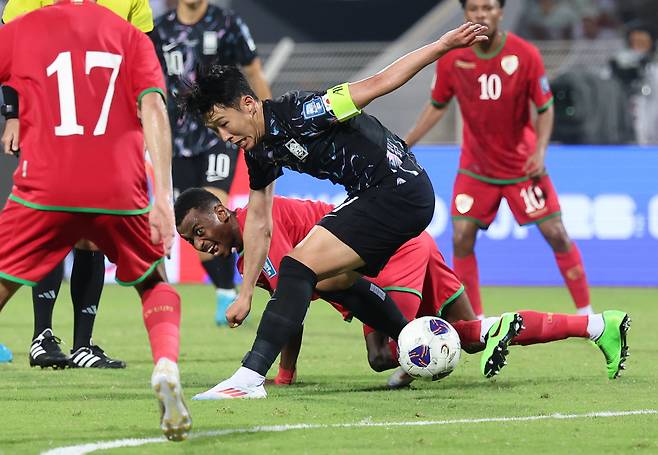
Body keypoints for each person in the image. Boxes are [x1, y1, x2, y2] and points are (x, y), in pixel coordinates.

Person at [178, 22, 489, 398]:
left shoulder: (301, 112)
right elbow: (259, 223)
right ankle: (413, 340)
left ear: (248, 104)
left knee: (296, 267)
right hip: (379, 195)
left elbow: (380, 82)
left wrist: (442, 45)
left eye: (224, 125)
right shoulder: (259, 151)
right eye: (216, 131)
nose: (225, 138)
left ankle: (249, 376)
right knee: (333, 281)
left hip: (397, 189)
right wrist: (244, 294)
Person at [174, 189, 630, 398]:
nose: (199, 244)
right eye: (190, 241)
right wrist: (286, 375)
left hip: (393, 253)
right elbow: (291, 305)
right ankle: (597, 325)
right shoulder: (248, 256)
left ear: (220, 211)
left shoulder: (260, 224)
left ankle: (494, 329)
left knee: (386, 354)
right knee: (468, 337)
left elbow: (287, 305)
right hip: (411, 246)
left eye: (199, 230)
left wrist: (283, 373)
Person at [0, 0, 190, 440]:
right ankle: (165, 363)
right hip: (117, 185)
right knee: (153, 281)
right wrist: (162, 196)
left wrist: (13, 116)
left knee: (6, 280)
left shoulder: (28, 25)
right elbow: (155, 109)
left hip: (46, 183)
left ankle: (45, 338)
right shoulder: (127, 31)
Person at [405, 0, 592, 319]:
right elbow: (438, 104)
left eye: (489, 7)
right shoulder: (452, 57)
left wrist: (539, 152)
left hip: (523, 168)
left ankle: (587, 314)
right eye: (474, 8)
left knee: (556, 234)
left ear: (500, 12)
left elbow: (545, 108)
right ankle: (474, 321)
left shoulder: (525, 54)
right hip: (475, 170)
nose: (481, 14)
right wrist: (406, 143)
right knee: (462, 236)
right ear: (465, 13)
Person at [1, 0, 154, 369]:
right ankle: (42, 337)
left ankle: (83, 345)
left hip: (106, 126)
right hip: (49, 120)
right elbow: (10, 49)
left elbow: (144, 56)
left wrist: (142, 115)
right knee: (51, 224)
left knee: (93, 229)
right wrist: (13, 115)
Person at [151, 0, 271, 325]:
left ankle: (237, 287)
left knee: (212, 206)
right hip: (175, 141)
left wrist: (268, 119)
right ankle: (225, 290)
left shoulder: (226, 23)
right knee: (192, 221)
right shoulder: (159, 30)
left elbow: (253, 70)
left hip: (218, 134)